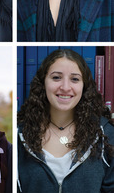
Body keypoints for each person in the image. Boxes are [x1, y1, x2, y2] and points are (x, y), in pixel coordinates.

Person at [17, 49, 114, 192]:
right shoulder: (19, 133)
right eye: (56, 77)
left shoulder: (106, 134)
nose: (65, 87)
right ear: (43, 82)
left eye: (74, 79)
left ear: (84, 85)